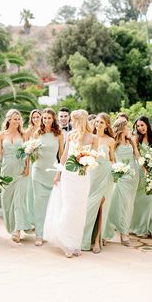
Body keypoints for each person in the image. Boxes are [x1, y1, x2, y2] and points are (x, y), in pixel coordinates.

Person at [44, 109, 98, 258]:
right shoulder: (71, 135)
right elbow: (64, 156)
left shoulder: (93, 138)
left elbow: (94, 158)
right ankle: (65, 242)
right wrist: (58, 173)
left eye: (73, 120)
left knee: (80, 210)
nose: (71, 122)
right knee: (68, 207)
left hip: (83, 177)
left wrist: (86, 164)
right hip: (69, 176)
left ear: (79, 121)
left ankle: (75, 244)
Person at [0, 109, 31, 243]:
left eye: (19, 119)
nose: (17, 121)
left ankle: (17, 229)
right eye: (15, 119)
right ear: (9, 119)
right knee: (6, 200)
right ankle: (12, 227)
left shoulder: (23, 135)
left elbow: (28, 152)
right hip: (6, 170)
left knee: (18, 201)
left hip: (20, 170)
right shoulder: (1, 135)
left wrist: (27, 167)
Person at [82, 113, 115, 253]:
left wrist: (116, 170)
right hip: (92, 175)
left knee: (102, 207)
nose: (98, 124)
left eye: (102, 122)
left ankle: (97, 241)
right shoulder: (90, 138)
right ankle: (84, 239)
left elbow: (112, 159)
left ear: (107, 125)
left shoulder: (110, 141)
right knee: (89, 207)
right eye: (97, 122)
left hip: (105, 175)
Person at [104, 118, 139, 246]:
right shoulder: (114, 142)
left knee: (129, 205)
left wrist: (134, 145)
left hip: (133, 175)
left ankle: (125, 231)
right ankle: (120, 232)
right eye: (127, 126)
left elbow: (136, 155)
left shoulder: (131, 140)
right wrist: (117, 169)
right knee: (121, 204)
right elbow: (111, 159)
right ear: (122, 128)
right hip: (121, 176)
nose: (128, 128)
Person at [32, 108, 64, 246]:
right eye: (44, 118)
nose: (46, 120)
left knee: (51, 204)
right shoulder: (37, 133)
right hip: (38, 171)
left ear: (53, 119)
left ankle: (49, 232)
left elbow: (62, 155)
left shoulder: (59, 134)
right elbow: (31, 151)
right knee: (39, 204)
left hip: (52, 172)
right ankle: (38, 235)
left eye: (49, 118)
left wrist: (61, 172)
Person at [130, 116, 152, 238]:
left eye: (142, 125)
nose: (140, 128)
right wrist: (145, 169)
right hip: (142, 172)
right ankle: (141, 227)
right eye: (138, 126)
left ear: (147, 124)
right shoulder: (136, 138)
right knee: (140, 201)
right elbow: (137, 156)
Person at [25, 109, 42, 225]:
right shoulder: (28, 132)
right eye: (33, 117)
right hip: (32, 163)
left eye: (38, 116)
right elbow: (25, 150)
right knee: (31, 191)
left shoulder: (46, 130)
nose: (36, 119)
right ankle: (31, 219)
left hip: (44, 163)